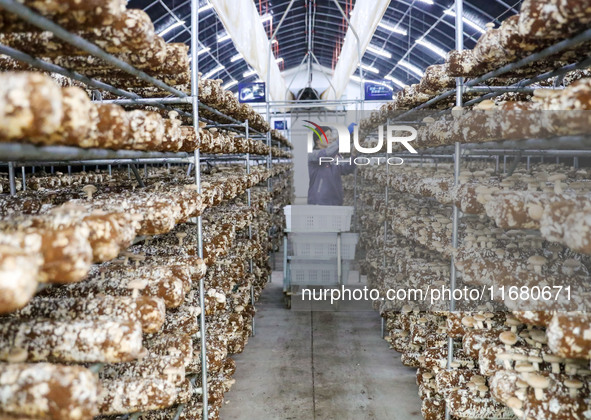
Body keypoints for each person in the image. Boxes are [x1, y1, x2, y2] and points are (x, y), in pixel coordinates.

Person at [307, 124, 356, 206]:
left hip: (336, 200)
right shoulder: (313, 155)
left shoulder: (336, 156)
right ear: (317, 140)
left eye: (330, 135)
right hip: (319, 201)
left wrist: (354, 155)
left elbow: (346, 169)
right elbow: (327, 153)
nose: (330, 138)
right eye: (326, 136)